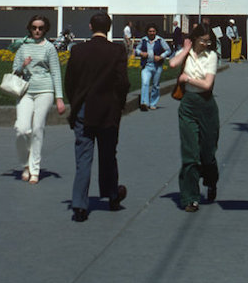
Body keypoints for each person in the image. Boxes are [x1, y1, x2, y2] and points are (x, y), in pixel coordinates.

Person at [64, 11, 129, 223]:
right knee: (108, 155)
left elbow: (70, 82)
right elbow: (122, 82)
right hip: (108, 110)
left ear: (90, 27)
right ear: (109, 28)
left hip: (83, 109)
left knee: (83, 158)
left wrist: (75, 103)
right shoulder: (117, 51)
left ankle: (80, 205)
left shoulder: (78, 50)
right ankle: (111, 196)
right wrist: (119, 104)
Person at [169, 23, 220, 212]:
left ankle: (211, 181)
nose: (206, 44)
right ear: (196, 39)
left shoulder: (212, 56)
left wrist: (187, 79)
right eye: (203, 40)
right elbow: (173, 64)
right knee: (190, 154)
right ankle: (190, 197)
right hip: (188, 104)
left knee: (208, 154)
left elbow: (207, 85)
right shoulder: (187, 55)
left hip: (207, 106)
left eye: (209, 41)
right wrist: (186, 49)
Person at [12, 14, 65, 184]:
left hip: (45, 90)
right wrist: (23, 66)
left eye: (40, 28)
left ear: (45, 29)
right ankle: (25, 164)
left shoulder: (49, 48)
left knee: (37, 129)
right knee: (21, 129)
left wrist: (59, 98)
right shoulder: (22, 47)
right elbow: (14, 72)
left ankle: (34, 169)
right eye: (34, 27)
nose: (37, 31)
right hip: (25, 91)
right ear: (30, 28)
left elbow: (56, 72)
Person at [135, 23, 171, 111]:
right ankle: (144, 103)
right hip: (146, 65)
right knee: (145, 83)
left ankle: (153, 103)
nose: (152, 33)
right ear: (147, 32)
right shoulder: (143, 40)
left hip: (157, 66)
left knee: (156, 85)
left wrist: (161, 56)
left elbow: (168, 50)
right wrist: (141, 53)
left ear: (156, 32)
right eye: (150, 31)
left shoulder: (160, 40)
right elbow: (137, 49)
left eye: (153, 31)